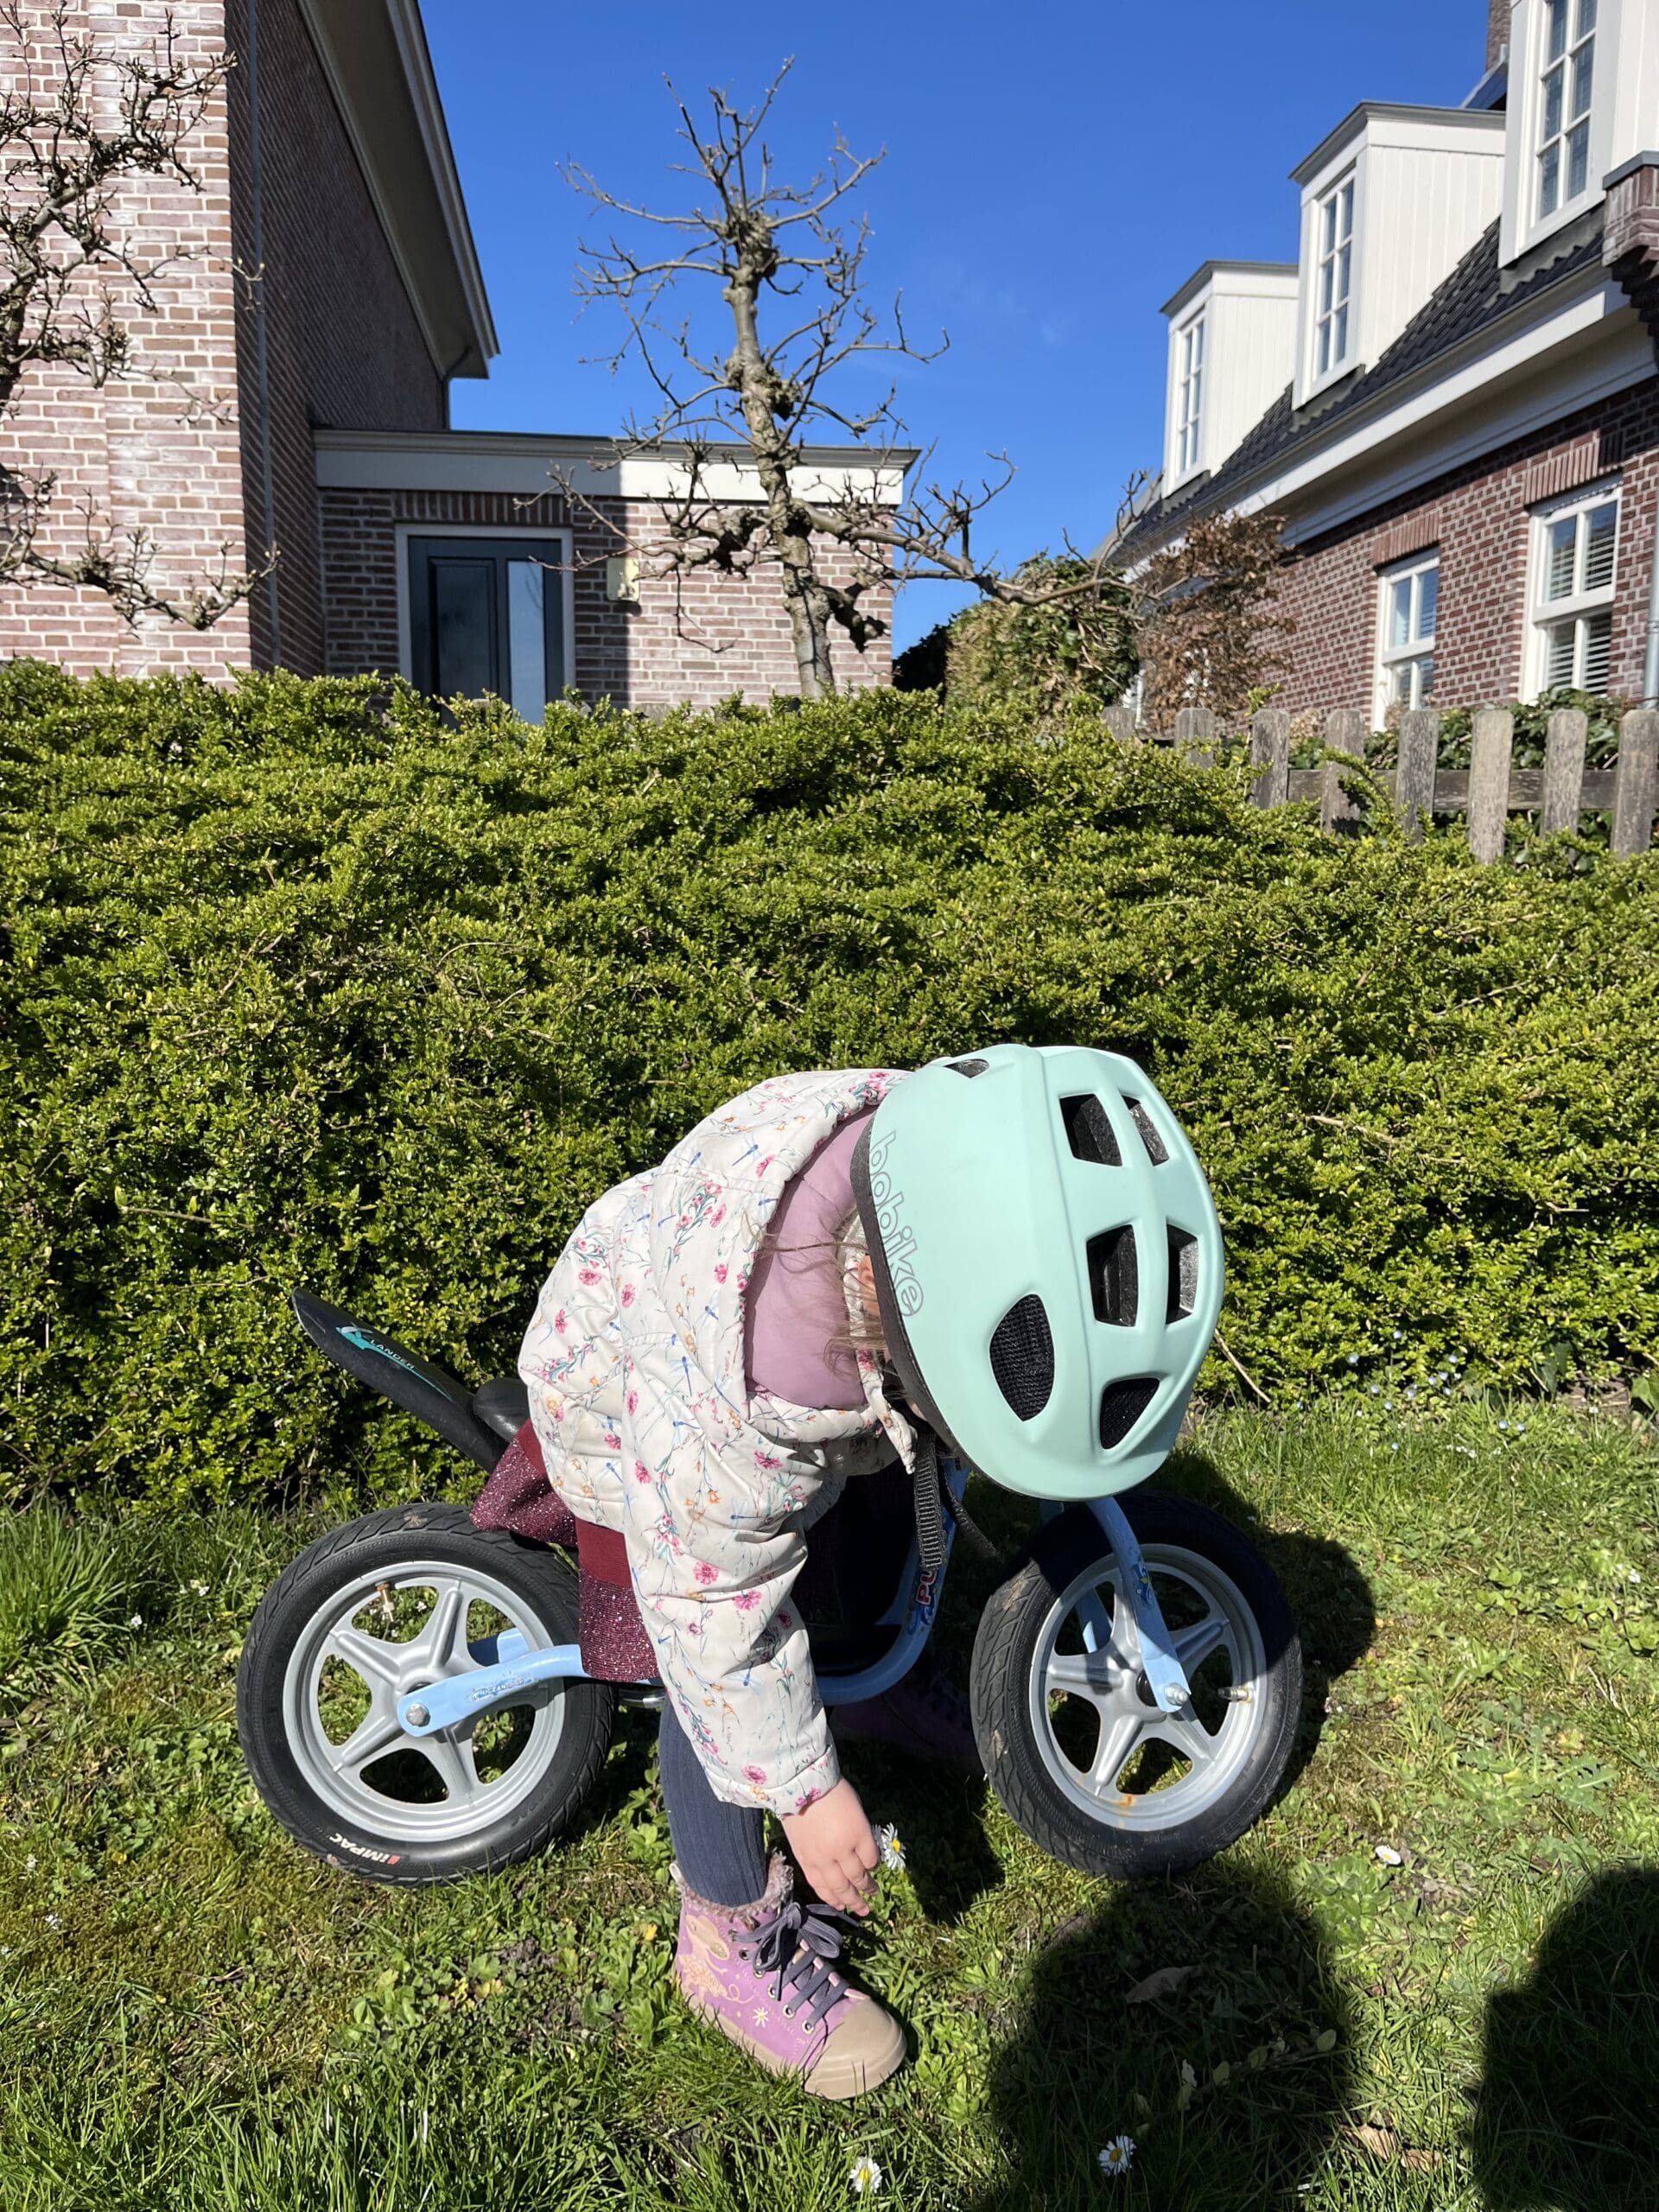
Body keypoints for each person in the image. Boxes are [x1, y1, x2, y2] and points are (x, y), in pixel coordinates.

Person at [512, 1047, 1219, 2100]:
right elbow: (717, 1617)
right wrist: (803, 1790)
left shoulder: (932, 1151)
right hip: (631, 1403)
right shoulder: (742, 1409)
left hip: (784, 1341)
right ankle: (724, 1930)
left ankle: (873, 1687)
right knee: (702, 1670)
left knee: (884, 1508)